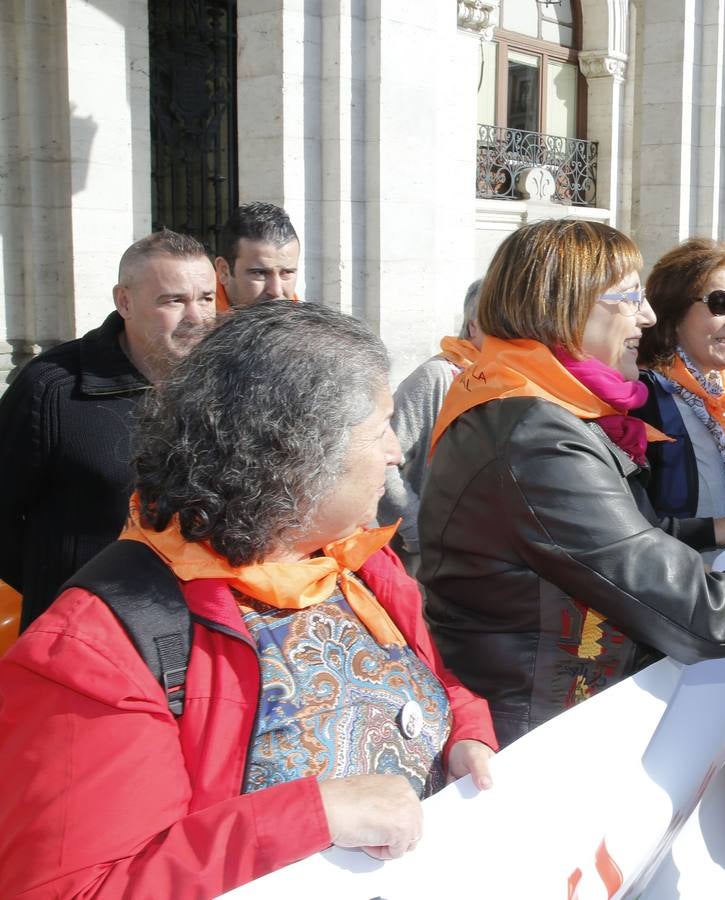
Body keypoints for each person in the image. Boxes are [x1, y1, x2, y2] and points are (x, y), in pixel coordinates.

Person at [0, 301, 499, 897]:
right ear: (297, 455)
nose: (397, 452)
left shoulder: (354, 563)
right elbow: (70, 889)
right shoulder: (97, 650)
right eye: (380, 429)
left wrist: (464, 730)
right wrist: (310, 817)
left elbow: (429, 682)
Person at [416, 220, 725, 746]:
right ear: (566, 305)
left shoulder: (546, 412)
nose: (645, 316)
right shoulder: (535, 434)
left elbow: (625, 538)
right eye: (628, 297)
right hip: (540, 731)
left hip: (555, 702)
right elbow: (689, 605)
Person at [0, 230, 216, 630]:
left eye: (205, 298)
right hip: (75, 644)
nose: (197, 317)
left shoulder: (225, 382)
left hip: (194, 639)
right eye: (175, 300)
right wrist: (61, 593)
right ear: (125, 301)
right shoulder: (52, 389)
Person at [633, 238, 725, 562]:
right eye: (719, 303)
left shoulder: (718, 397)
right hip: (675, 600)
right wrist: (718, 529)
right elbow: (623, 532)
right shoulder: (645, 399)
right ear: (673, 315)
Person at [377, 278, 485, 575]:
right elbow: (382, 461)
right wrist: (417, 530)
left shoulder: (509, 382)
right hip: (430, 563)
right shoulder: (437, 377)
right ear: (473, 326)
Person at [214, 201, 301, 311]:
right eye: (259, 273)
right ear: (224, 271)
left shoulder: (308, 325)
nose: (276, 291)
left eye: (287, 272)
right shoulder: (193, 323)